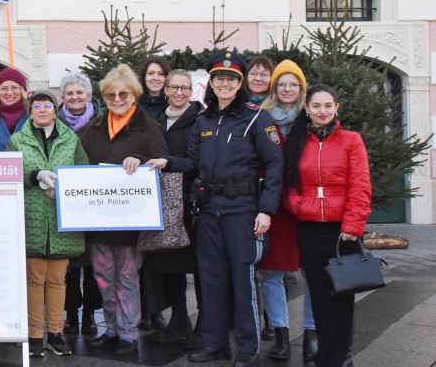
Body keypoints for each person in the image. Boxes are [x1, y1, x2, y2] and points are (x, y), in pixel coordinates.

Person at [150, 50, 284, 367]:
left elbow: (276, 165)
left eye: (231, 79)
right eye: (219, 78)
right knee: (210, 280)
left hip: (243, 211)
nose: (225, 83)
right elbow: (193, 164)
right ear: (212, 82)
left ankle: (249, 349)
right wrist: (167, 162)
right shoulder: (204, 119)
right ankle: (215, 344)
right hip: (209, 211)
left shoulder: (256, 117)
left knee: (243, 281)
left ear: (239, 84)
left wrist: (266, 210)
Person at [78, 64, 170, 357]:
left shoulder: (149, 127)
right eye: (110, 95)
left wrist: (141, 160)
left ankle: (129, 333)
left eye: (123, 94)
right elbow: (80, 166)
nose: (117, 99)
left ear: (134, 95)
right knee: (103, 276)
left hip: (131, 220)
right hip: (99, 219)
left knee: (128, 277)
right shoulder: (92, 129)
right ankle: (112, 329)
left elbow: (162, 161)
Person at [286, 85, 371, 367]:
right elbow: (290, 185)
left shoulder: (351, 140)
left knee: (342, 296)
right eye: (316, 106)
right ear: (307, 109)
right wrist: (299, 207)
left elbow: (360, 185)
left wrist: (353, 225)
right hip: (310, 230)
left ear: (337, 108)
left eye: (327, 106)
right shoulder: (298, 141)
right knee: (320, 296)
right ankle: (325, 354)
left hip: (341, 231)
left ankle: (339, 356)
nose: (322, 111)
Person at [7, 88, 89, 358]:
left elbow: (83, 173)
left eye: (47, 105)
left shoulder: (71, 139)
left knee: (57, 279)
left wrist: (63, 189)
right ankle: (34, 334)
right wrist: (33, 175)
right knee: (34, 279)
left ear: (56, 109)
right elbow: (8, 172)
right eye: (36, 106)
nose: (42, 110)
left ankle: (55, 332)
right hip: (29, 219)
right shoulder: (17, 140)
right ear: (30, 111)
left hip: (60, 220)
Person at [259, 60, 316, 362]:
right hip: (275, 206)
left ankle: (311, 332)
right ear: (275, 88)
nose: (288, 89)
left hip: (308, 205)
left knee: (313, 271)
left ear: (301, 88)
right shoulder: (262, 119)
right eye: (282, 83)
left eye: (293, 84)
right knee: (273, 272)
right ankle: (280, 334)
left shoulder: (314, 118)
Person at [150, 70, 203, 348]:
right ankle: (179, 317)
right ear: (166, 90)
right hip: (164, 202)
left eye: (185, 88)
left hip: (191, 202)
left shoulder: (200, 120)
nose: (180, 92)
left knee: (198, 266)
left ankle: (204, 324)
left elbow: (197, 163)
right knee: (170, 265)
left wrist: (167, 161)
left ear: (191, 91)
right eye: (175, 87)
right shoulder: (158, 120)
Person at [55, 72, 102, 337]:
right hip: (63, 198)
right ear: (63, 97)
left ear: (88, 95)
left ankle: (90, 315)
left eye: (79, 93)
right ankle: (71, 313)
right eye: (70, 93)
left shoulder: (100, 121)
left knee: (93, 260)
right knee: (69, 262)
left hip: (93, 197)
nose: (74, 97)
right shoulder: (55, 120)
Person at [136, 56, 170, 121]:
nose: (155, 78)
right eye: (150, 73)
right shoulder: (133, 104)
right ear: (144, 77)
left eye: (161, 74)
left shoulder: (171, 107)